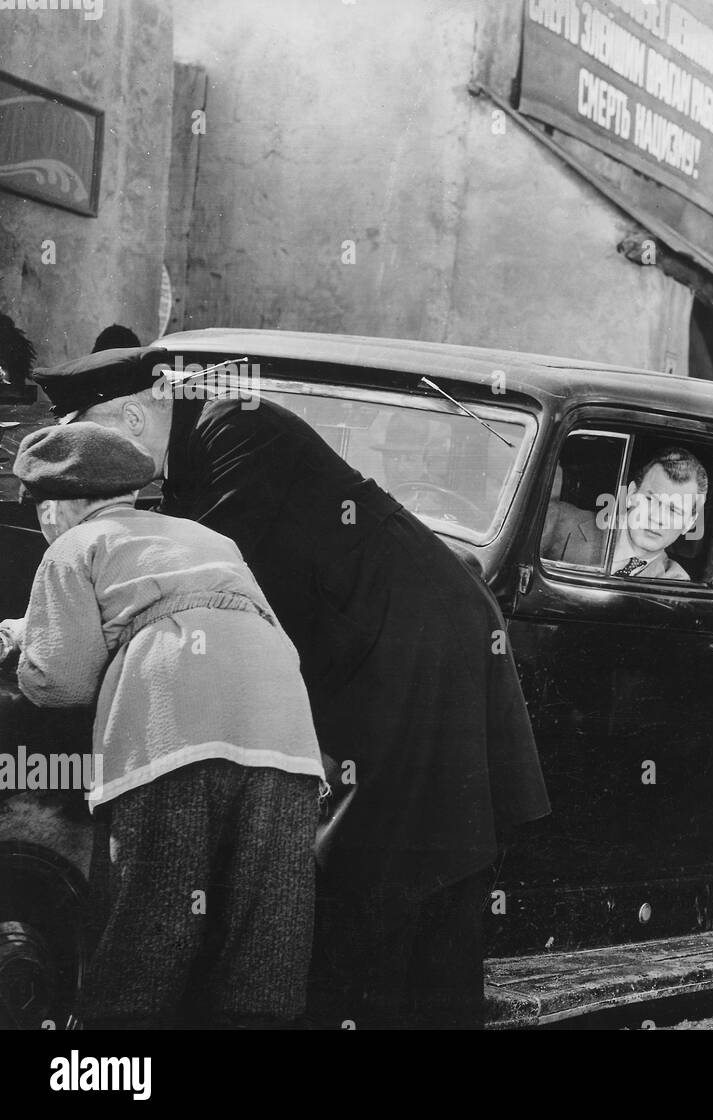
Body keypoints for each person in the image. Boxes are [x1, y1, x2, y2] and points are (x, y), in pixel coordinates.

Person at [31, 345, 551, 1028]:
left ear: (132, 415)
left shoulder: (235, 429)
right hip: (374, 650)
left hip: (413, 646)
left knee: (393, 868)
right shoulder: (199, 442)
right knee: (399, 868)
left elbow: (205, 588)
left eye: (92, 435)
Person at [6, 423, 323, 1027]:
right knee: (266, 935)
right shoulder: (206, 536)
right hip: (283, 728)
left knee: (148, 921)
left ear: (59, 504)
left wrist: (20, 641)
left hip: (174, 727)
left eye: (42, 508)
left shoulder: (75, 547)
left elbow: (59, 680)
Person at [543, 447, 707, 581]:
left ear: (689, 524)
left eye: (673, 510)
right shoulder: (558, 522)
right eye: (650, 499)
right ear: (631, 494)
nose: (656, 518)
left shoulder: (675, 584)